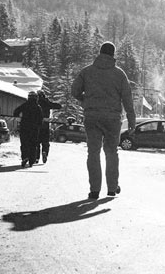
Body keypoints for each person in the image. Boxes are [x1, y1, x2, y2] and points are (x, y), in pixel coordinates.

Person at [71, 42, 136, 199]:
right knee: (111, 152)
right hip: (113, 119)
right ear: (113, 55)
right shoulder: (120, 74)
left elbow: (74, 91)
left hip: (92, 117)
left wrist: (85, 100)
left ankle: (94, 190)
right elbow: (127, 99)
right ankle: (112, 188)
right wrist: (131, 120)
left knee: (93, 152)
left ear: (99, 53)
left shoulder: (87, 72)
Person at [13, 91, 43, 168]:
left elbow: (16, 111)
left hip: (24, 127)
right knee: (33, 144)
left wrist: (18, 119)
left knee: (24, 144)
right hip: (34, 129)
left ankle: (25, 157)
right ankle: (31, 160)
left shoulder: (24, 105)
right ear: (36, 98)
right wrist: (39, 126)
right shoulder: (38, 107)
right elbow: (40, 119)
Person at [35, 90, 62, 164]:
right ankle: (44, 152)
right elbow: (58, 106)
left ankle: (36, 158)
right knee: (45, 142)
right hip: (45, 125)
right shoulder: (47, 103)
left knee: (36, 142)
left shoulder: (35, 103)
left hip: (36, 125)